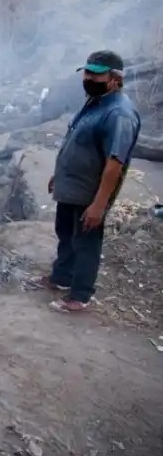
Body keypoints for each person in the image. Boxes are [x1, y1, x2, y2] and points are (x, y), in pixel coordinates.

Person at [45, 50, 141, 312]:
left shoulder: (120, 114)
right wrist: (60, 173)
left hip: (90, 190)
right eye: (86, 72)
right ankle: (62, 278)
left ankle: (80, 296)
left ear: (115, 79)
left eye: (96, 74)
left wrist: (99, 204)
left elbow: (114, 164)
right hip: (71, 185)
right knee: (65, 232)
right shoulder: (95, 102)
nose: (88, 78)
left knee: (86, 242)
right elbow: (77, 143)